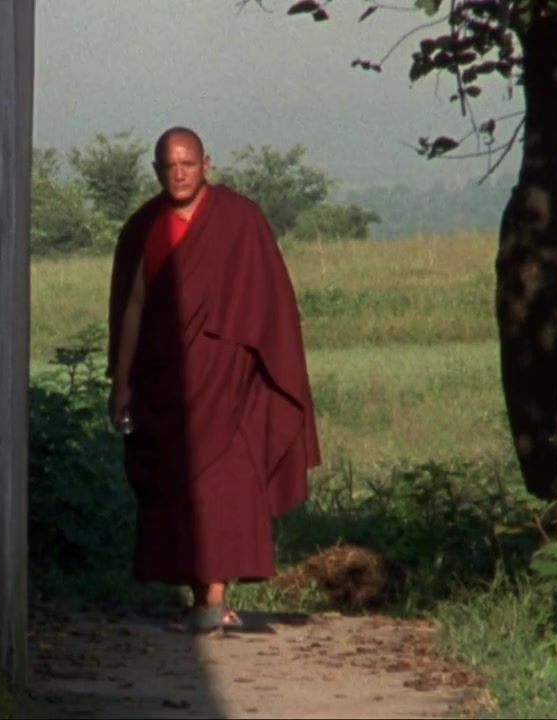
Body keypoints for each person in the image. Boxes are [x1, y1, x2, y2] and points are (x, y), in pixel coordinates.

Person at [106, 126, 322, 633]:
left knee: (222, 485)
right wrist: (122, 380)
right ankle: (201, 596)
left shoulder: (239, 220)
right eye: (168, 166)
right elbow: (133, 306)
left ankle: (215, 599)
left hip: (228, 381)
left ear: (206, 164)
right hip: (166, 380)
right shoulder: (146, 226)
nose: (178, 174)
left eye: (187, 164)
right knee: (177, 485)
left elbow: (272, 305)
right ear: (156, 171)